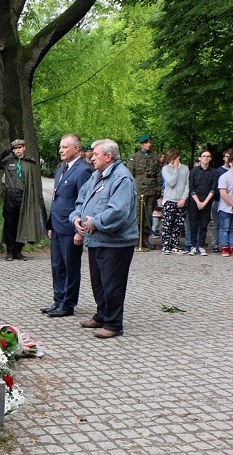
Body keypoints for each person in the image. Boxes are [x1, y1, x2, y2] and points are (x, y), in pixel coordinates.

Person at [70, 139, 137, 339]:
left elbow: (118, 212)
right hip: (96, 240)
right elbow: (81, 200)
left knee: (112, 283)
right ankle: (102, 315)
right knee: (98, 282)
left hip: (116, 243)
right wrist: (76, 218)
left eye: (96, 154)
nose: (91, 157)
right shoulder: (95, 176)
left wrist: (96, 222)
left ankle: (114, 324)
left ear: (108, 157)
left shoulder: (122, 178)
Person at [42, 134, 92, 318]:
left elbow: (84, 202)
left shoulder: (83, 171)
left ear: (76, 149)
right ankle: (58, 300)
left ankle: (68, 304)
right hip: (56, 225)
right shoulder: (61, 169)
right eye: (60, 147)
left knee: (70, 266)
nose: (60, 150)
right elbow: (57, 199)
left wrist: (80, 231)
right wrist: (50, 224)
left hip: (71, 227)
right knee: (57, 266)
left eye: (64, 147)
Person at [0, 139, 44, 261]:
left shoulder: (29, 163)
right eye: (15, 148)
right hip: (10, 196)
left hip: (23, 196)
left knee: (22, 223)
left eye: (19, 148)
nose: (17, 150)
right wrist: (6, 152)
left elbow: (33, 182)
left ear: (24, 148)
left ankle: (18, 251)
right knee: (10, 223)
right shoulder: (8, 162)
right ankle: (10, 252)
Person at [126, 134, 161, 241]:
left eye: (150, 142)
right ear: (142, 144)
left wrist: (158, 188)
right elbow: (129, 175)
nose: (148, 145)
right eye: (146, 143)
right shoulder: (135, 157)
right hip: (139, 188)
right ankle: (137, 238)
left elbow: (158, 174)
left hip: (151, 189)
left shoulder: (154, 157)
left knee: (149, 215)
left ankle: (145, 239)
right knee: (138, 214)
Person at [187, 149, 217, 256]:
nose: (206, 158)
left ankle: (201, 245)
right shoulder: (193, 171)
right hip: (194, 201)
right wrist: (198, 202)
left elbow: (213, 189)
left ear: (210, 158)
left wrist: (204, 202)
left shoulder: (214, 172)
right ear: (199, 158)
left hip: (207, 201)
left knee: (204, 225)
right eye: (204, 156)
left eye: (208, 156)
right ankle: (193, 246)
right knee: (193, 224)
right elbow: (191, 188)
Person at [159, 148, 189, 254]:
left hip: (181, 200)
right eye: (171, 159)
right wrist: (175, 169)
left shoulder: (185, 168)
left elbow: (187, 185)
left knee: (178, 225)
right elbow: (171, 182)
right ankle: (165, 246)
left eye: (174, 158)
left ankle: (175, 244)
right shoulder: (165, 169)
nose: (172, 161)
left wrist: (183, 198)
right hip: (169, 200)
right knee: (167, 224)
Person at [217, 152, 233, 257]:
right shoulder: (224, 177)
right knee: (224, 228)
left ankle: (232, 247)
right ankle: (224, 247)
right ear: (230, 163)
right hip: (225, 208)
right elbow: (223, 193)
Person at [212, 149, 233, 252]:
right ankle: (215, 244)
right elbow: (215, 187)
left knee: (230, 226)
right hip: (219, 200)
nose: (228, 158)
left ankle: (227, 244)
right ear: (224, 158)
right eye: (226, 156)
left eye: (230, 156)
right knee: (217, 224)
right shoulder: (219, 171)